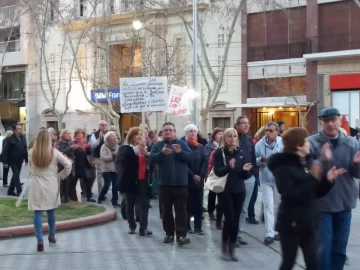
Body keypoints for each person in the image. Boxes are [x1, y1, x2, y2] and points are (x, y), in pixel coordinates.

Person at [268, 127, 345, 270]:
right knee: (288, 262)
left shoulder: (306, 163)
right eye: (306, 141)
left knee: (313, 263)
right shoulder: (283, 167)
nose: (309, 144)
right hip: (291, 223)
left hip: (309, 222)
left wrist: (328, 180)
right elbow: (290, 194)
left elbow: (315, 193)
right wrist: (314, 178)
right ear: (298, 145)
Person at [308, 107, 360, 270]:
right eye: (327, 121)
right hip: (322, 203)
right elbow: (309, 174)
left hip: (344, 202)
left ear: (339, 120)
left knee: (339, 249)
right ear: (321, 122)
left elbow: (356, 175)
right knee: (324, 247)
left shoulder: (352, 142)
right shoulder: (312, 142)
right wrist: (323, 160)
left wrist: (357, 164)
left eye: (334, 120)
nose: (331, 124)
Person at [27, 129, 72, 252]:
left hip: (36, 182)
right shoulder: (54, 152)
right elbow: (68, 165)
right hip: (51, 182)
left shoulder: (31, 152)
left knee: (38, 212)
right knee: (51, 210)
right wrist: (61, 175)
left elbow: (30, 167)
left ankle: (39, 240)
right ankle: (51, 235)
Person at [149, 122, 193, 246]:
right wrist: (162, 154)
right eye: (165, 130)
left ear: (174, 132)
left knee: (181, 211)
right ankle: (169, 233)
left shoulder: (182, 144)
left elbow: (191, 158)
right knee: (166, 211)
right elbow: (151, 160)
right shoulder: (157, 145)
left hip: (181, 184)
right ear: (162, 133)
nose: (168, 132)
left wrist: (180, 153)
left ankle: (181, 236)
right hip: (164, 184)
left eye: (170, 130)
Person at [213, 128, 252, 261]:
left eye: (234, 136)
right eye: (229, 136)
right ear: (224, 138)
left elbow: (243, 175)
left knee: (235, 219)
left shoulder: (240, 153)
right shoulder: (219, 152)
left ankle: (232, 247)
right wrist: (229, 167)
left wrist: (245, 171)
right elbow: (218, 172)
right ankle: (224, 246)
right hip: (225, 190)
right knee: (230, 218)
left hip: (239, 190)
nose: (232, 138)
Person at [117, 127, 152, 236]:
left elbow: (151, 162)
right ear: (131, 137)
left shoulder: (145, 148)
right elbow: (126, 157)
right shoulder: (125, 148)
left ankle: (143, 228)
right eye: (138, 135)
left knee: (144, 205)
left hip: (143, 180)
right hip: (130, 181)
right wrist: (137, 149)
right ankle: (132, 225)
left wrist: (147, 154)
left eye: (142, 135)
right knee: (130, 205)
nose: (140, 137)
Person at [255, 121, 283, 245]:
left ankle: (277, 231)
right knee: (268, 206)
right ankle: (269, 233)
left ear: (277, 132)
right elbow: (254, 161)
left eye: (271, 130)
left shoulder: (282, 142)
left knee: (277, 206)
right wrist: (261, 159)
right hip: (265, 178)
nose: (268, 133)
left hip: (279, 179)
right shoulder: (259, 144)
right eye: (267, 130)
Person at [234, 116, 258, 245]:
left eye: (248, 123)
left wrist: (253, 172)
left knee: (243, 208)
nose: (247, 126)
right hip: (235, 179)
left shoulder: (249, 140)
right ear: (237, 125)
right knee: (233, 208)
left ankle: (239, 234)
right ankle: (231, 234)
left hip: (249, 178)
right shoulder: (231, 137)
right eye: (244, 123)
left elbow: (253, 158)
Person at [183, 124, 207, 235]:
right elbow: (184, 164)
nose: (193, 133)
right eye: (191, 131)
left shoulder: (200, 147)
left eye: (195, 131)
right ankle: (187, 226)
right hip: (187, 179)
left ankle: (198, 227)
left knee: (198, 204)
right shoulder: (183, 146)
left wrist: (200, 175)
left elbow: (205, 161)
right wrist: (192, 175)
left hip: (199, 180)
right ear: (186, 133)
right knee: (187, 204)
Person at [203, 127, 224, 228]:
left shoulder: (224, 146)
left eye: (222, 134)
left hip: (222, 173)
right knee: (212, 193)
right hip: (212, 173)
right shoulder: (208, 146)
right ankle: (211, 211)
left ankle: (220, 212)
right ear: (214, 135)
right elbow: (207, 158)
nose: (221, 136)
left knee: (221, 193)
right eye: (219, 134)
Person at [3, 124, 28, 196]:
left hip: (20, 160)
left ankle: (10, 190)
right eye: (18, 129)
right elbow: (5, 151)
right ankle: (19, 191)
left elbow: (24, 149)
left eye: (20, 128)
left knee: (15, 176)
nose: (20, 130)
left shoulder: (23, 138)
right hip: (12, 160)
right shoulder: (9, 139)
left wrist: (26, 159)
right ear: (14, 130)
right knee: (16, 175)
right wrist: (6, 162)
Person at [248, 125, 266, 224]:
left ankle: (251, 215)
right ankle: (250, 215)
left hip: (258, 171)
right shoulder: (256, 143)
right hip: (255, 171)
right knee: (253, 195)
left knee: (255, 194)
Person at [98, 131, 120, 207]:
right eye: (110, 136)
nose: (111, 138)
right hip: (106, 169)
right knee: (107, 184)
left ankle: (115, 201)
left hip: (115, 169)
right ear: (107, 138)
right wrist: (112, 155)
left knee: (115, 186)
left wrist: (117, 157)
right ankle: (100, 198)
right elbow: (103, 157)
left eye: (113, 136)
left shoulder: (117, 146)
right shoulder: (104, 146)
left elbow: (119, 156)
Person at [90, 120, 108, 195]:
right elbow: (93, 146)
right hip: (98, 157)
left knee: (106, 174)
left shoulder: (109, 133)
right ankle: (101, 192)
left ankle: (104, 190)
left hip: (108, 157)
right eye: (102, 125)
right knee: (100, 174)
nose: (103, 126)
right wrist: (99, 139)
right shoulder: (94, 134)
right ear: (99, 126)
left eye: (105, 125)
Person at [56, 129, 74, 203]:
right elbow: (61, 153)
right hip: (62, 165)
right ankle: (62, 196)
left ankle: (68, 196)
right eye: (66, 133)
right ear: (62, 135)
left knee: (69, 181)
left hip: (71, 163)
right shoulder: (60, 143)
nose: (68, 135)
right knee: (63, 181)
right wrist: (71, 148)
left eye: (69, 133)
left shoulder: (72, 142)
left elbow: (74, 153)